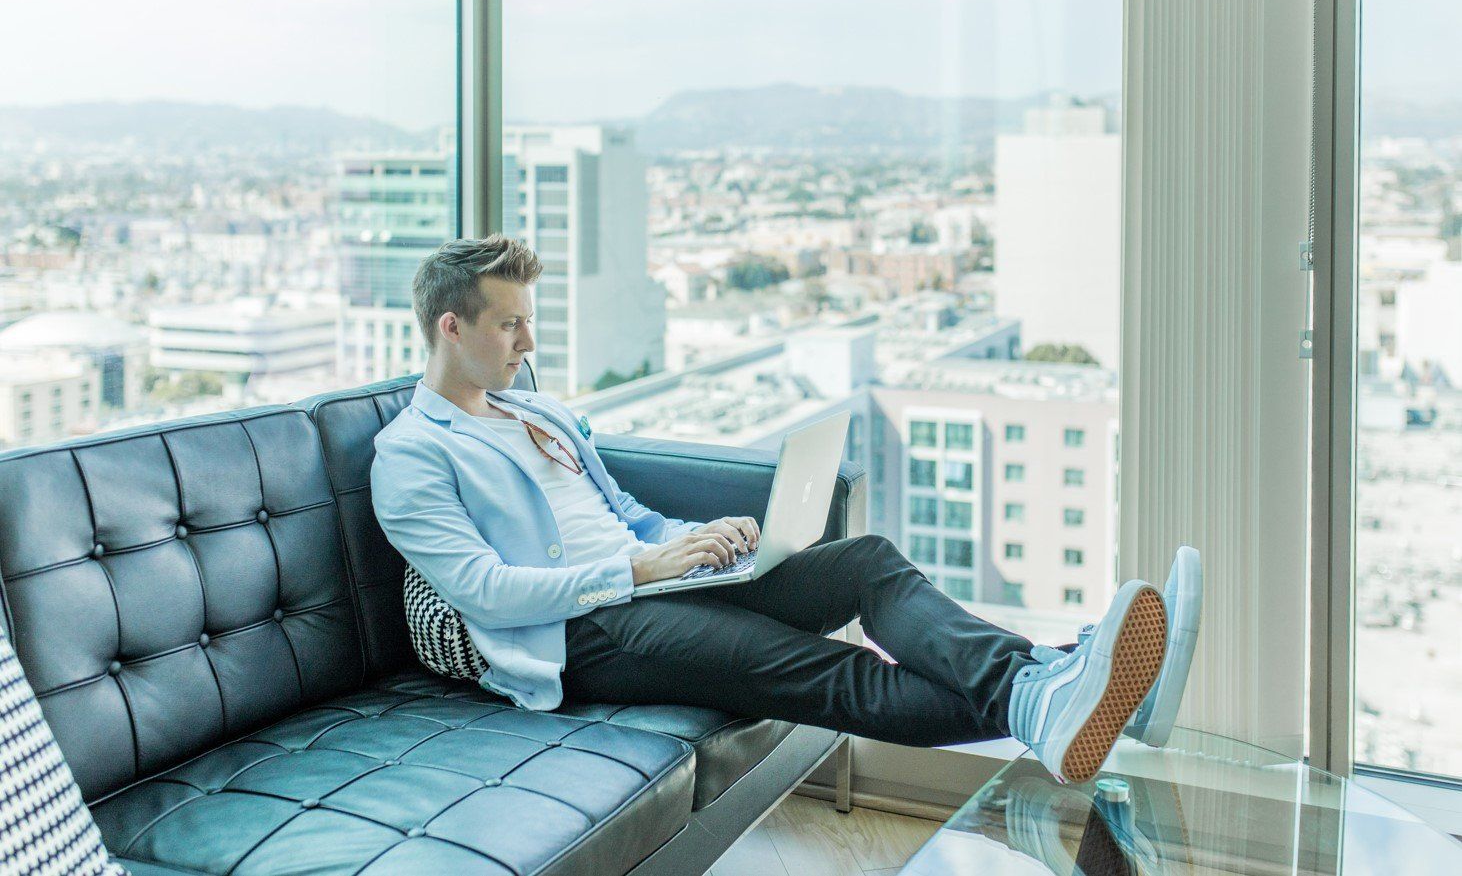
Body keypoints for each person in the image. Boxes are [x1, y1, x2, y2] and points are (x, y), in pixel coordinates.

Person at [370, 236, 1202, 784]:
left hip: (657, 583)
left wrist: (691, 541)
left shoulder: (536, 410)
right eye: (509, 324)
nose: (527, 343)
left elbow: (618, 506)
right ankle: (1066, 687)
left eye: (527, 322)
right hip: (582, 633)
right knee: (820, 668)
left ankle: (1053, 688)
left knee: (867, 562)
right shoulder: (411, 453)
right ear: (451, 326)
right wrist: (635, 567)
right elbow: (484, 590)